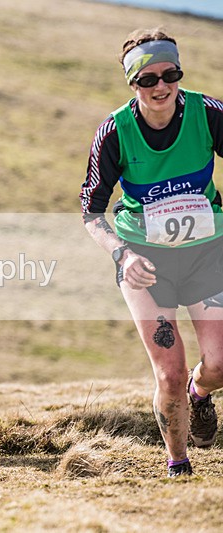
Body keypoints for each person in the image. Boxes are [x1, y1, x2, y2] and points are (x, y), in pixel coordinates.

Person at [80, 28, 223, 477]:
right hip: (145, 260)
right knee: (170, 372)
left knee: (219, 363)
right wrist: (123, 255)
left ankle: (200, 397)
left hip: (206, 253)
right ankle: (178, 465)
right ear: (132, 84)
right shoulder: (115, 132)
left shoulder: (208, 113)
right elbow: (91, 211)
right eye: (148, 79)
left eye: (170, 74)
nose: (161, 86)